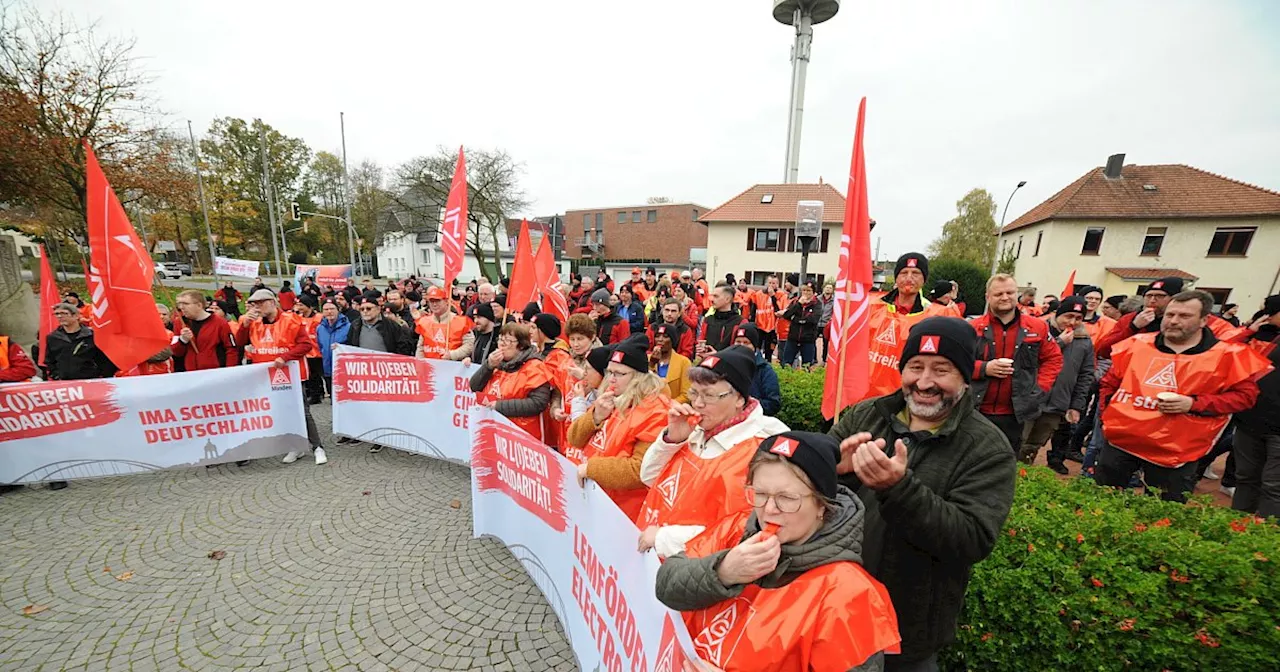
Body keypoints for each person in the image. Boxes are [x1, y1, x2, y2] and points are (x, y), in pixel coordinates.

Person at [828, 316, 1016, 669]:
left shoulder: (987, 448)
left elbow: (971, 538)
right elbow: (813, 489)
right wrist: (832, 469)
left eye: (941, 370)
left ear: (964, 376)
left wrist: (898, 490)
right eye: (915, 367)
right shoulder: (867, 414)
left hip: (905, 628)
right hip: (832, 604)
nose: (924, 382)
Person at [656, 432, 900, 672]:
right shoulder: (738, 528)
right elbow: (666, 584)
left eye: (787, 498)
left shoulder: (850, 594)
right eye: (760, 494)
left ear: (821, 505)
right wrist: (723, 571)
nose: (769, 510)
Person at [1096, 290, 1268, 503]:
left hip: (1176, 451)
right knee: (1103, 501)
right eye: (1170, 315)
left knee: (1163, 512)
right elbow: (1110, 382)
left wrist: (1193, 403)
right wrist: (1105, 416)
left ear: (1204, 320)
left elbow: (1245, 398)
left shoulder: (1228, 355)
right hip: (1121, 441)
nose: (1174, 321)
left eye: (1184, 316)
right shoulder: (1137, 344)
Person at [637, 346, 790, 558]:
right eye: (694, 393)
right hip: (656, 558)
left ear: (739, 398)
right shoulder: (694, 429)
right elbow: (649, 477)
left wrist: (664, 538)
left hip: (698, 571)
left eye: (708, 396)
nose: (698, 404)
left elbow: (744, 531)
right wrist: (671, 440)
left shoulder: (764, 449)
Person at [567, 337, 670, 521]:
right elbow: (574, 439)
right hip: (597, 499)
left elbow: (640, 469)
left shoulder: (655, 410)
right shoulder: (610, 397)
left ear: (638, 377)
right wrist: (595, 417)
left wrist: (591, 468)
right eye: (610, 372)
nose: (611, 379)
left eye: (620, 374)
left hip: (625, 511)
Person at [971, 274, 1063, 454]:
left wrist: (1040, 389)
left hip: (1015, 413)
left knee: (1005, 462)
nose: (1005, 297)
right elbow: (956, 362)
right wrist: (983, 368)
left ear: (1016, 294)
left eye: (1010, 292)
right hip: (976, 409)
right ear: (988, 297)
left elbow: (1053, 359)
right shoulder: (972, 328)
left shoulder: (1038, 327)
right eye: (998, 294)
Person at [862, 253, 961, 404]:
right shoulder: (871, 306)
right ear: (896, 278)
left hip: (910, 398)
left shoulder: (937, 315)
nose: (909, 278)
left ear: (924, 280)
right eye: (903, 273)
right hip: (865, 397)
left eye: (916, 273)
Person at [242, 289, 326, 465]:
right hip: (266, 376)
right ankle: (295, 446)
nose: (257, 307)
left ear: (272, 302)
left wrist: (285, 357)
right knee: (281, 412)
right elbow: (240, 342)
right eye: (254, 304)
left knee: (302, 411)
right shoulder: (254, 323)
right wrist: (244, 326)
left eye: (261, 303)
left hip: (292, 374)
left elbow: (305, 345)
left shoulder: (291, 320)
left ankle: (317, 447)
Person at [1023, 297, 1096, 473]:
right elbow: (1027, 361)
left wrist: (1076, 406)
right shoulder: (1038, 331)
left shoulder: (1085, 341)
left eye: (1078, 318)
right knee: (1018, 441)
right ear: (1058, 314)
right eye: (1069, 316)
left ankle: (1024, 474)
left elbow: (1085, 376)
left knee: (1035, 443)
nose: (1072, 322)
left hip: (1057, 403)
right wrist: (1060, 343)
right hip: (1030, 399)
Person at [1233, 296, 1280, 517]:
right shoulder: (1263, 336)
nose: (1266, 316)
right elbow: (1226, 352)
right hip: (1250, 420)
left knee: (1273, 486)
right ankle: (1235, 530)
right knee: (1245, 478)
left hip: (1277, 429)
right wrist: (1249, 331)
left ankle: (1263, 539)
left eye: (1270, 312)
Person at [469, 323, 555, 442]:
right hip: (495, 431)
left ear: (521, 346)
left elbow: (538, 403)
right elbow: (474, 386)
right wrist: (488, 366)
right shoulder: (496, 363)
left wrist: (499, 406)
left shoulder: (535, 367)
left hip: (522, 436)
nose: (502, 344)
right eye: (501, 339)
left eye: (508, 341)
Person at [532, 313, 573, 449]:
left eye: (533, 327)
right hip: (539, 413)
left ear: (542, 331)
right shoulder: (536, 351)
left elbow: (559, 387)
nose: (529, 331)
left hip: (551, 415)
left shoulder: (559, 355)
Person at [171, 290, 239, 371]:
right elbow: (176, 352)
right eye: (179, 304)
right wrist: (183, 340)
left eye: (186, 304)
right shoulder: (180, 323)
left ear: (199, 305)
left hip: (214, 371)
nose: (181, 307)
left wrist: (229, 371)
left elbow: (231, 349)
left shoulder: (220, 323)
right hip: (190, 372)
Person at [732, 323, 782, 417]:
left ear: (755, 346)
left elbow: (773, 404)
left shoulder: (765, 370)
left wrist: (747, 405)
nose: (741, 346)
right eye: (738, 342)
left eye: (746, 343)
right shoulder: (727, 366)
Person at [415, 286, 475, 361]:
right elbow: (420, 348)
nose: (434, 304)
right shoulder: (424, 322)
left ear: (446, 301)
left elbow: (469, 345)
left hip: (452, 366)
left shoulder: (461, 321)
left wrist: (452, 355)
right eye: (431, 301)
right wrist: (420, 364)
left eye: (437, 301)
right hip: (430, 367)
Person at [345, 295, 416, 358]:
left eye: (369, 308)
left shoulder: (391, 325)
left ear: (378, 309)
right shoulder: (355, 326)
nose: (365, 311)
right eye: (362, 309)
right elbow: (349, 346)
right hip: (363, 367)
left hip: (385, 367)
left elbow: (403, 346)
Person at [779, 281, 821, 368]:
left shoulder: (817, 303)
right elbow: (786, 315)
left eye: (809, 291)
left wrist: (796, 320)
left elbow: (813, 319)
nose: (806, 293)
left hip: (808, 339)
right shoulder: (796, 301)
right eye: (804, 290)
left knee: (807, 365)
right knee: (786, 364)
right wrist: (798, 304)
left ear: (813, 292)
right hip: (793, 338)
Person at [316, 299, 351, 399]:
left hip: (343, 370)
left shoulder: (349, 327)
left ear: (338, 310)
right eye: (326, 309)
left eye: (332, 308)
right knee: (333, 399)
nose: (329, 312)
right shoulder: (320, 328)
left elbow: (353, 346)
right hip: (328, 369)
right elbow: (320, 345)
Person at [294, 295, 325, 405]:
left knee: (324, 374)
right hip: (307, 352)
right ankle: (315, 395)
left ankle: (325, 393)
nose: (299, 307)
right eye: (298, 305)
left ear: (309, 306)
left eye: (301, 305)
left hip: (319, 351)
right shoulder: (298, 318)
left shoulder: (319, 318)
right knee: (311, 376)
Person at [649, 324, 691, 403]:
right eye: (657, 336)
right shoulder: (647, 358)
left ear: (672, 340)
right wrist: (651, 365)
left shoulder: (684, 362)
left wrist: (666, 406)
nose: (660, 340)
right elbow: (639, 386)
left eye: (665, 336)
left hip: (672, 409)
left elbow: (686, 395)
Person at [750, 274, 787, 363]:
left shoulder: (781, 295)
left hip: (772, 327)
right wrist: (752, 323)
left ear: (777, 284)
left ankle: (768, 364)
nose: (771, 285)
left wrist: (773, 296)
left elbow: (779, 310)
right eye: (770, 282)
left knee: (769, 349)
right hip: (760, 325)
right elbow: (753, 309)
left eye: (774, 283)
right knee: (757, 347)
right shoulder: (758, 294)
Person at [700, 283, 744, 356]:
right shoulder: (708, 320)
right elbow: (701, 341)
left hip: (729, 365)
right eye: (712, 296)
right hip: (708, 364)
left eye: (716, 296)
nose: (712, 299)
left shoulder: (740, 322)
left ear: (727, 299)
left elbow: (741, 351)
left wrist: (718, 355)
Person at [818, 282, 835, 362]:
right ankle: (814, 359)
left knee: (826, 343)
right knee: (812, 341)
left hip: (826, 324)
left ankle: (824, 360)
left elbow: (834, 312)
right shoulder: (818, 299)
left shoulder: (834, 300)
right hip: (817, 323)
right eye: (827, 287)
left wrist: (830, 320)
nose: (828, 289)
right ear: (823, 288)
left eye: (830, 288)